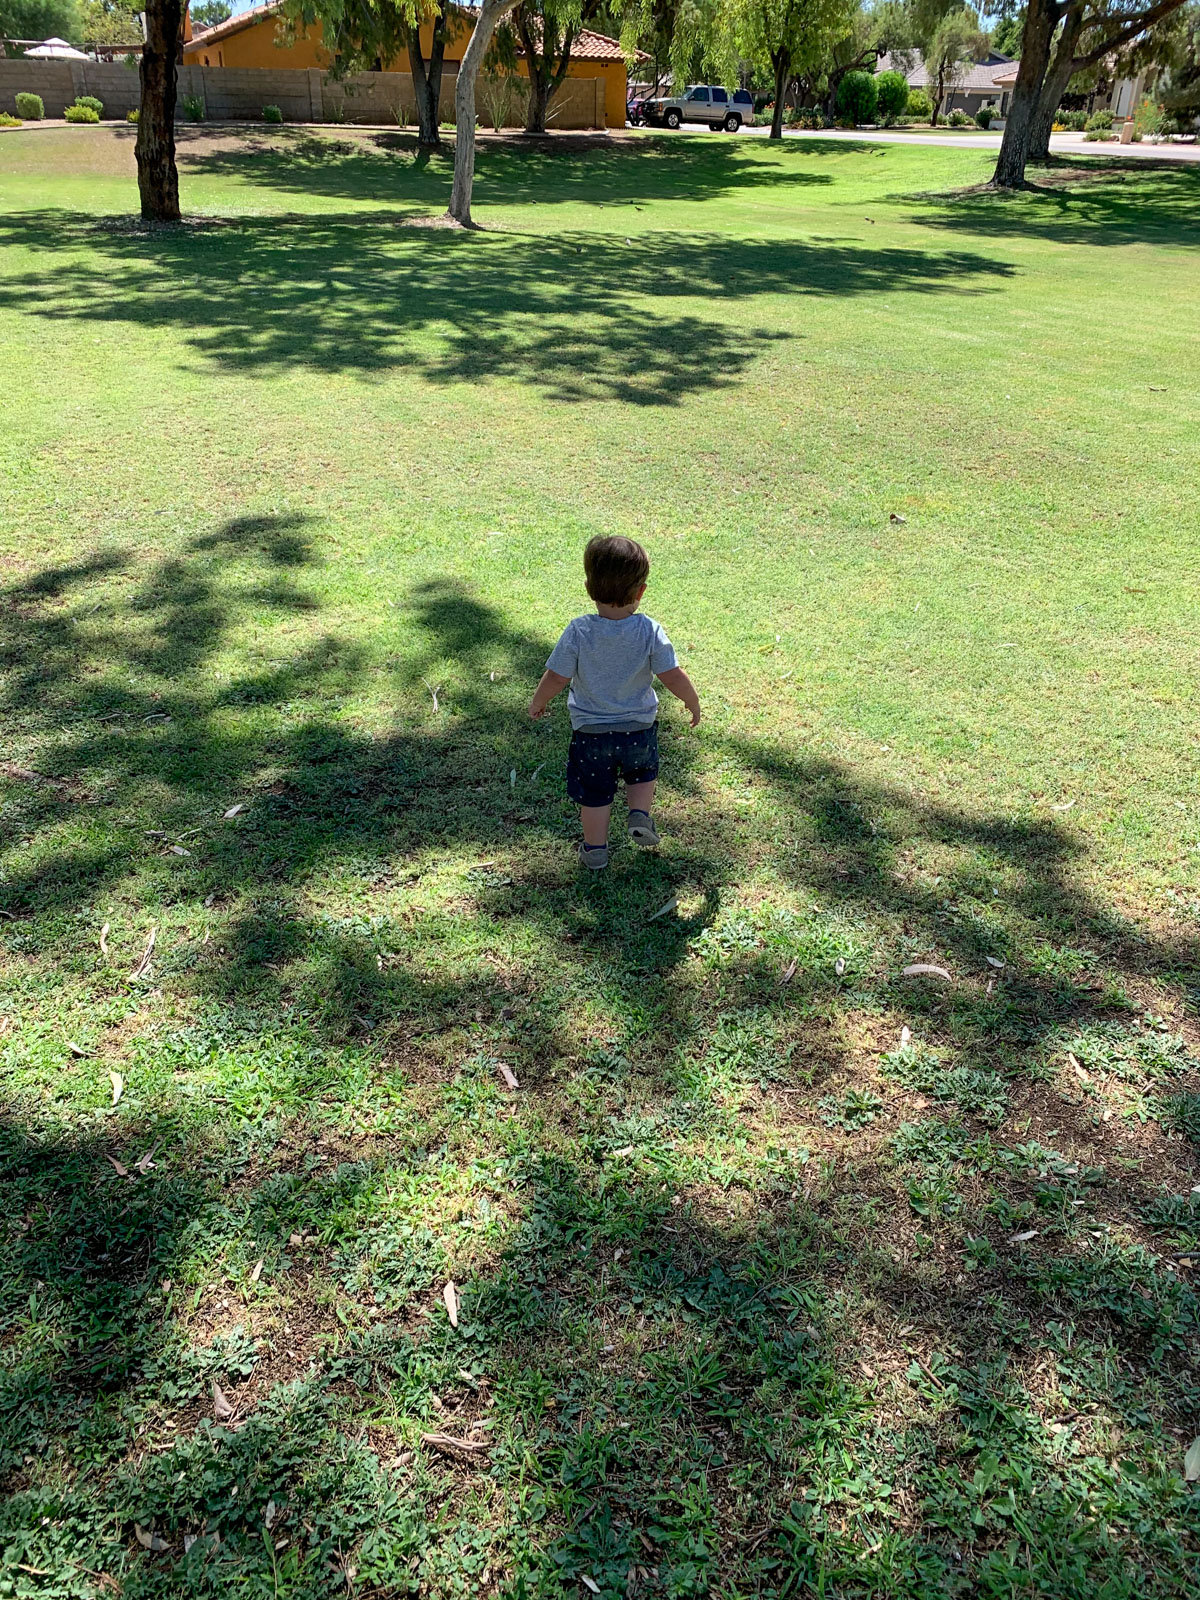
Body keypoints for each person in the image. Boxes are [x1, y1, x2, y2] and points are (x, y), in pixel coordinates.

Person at [528, 535, 701, 870]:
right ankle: (639, 814)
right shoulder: (649, 630)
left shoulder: (579, 631)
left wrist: (539, 701)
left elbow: (557, 677)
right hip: (639, 728)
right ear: (640, 592)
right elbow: (672, 675)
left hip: (591, 732)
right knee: (642, 772)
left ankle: (595, 850)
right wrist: (692, 701)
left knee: (594, 792)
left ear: (589, 587)